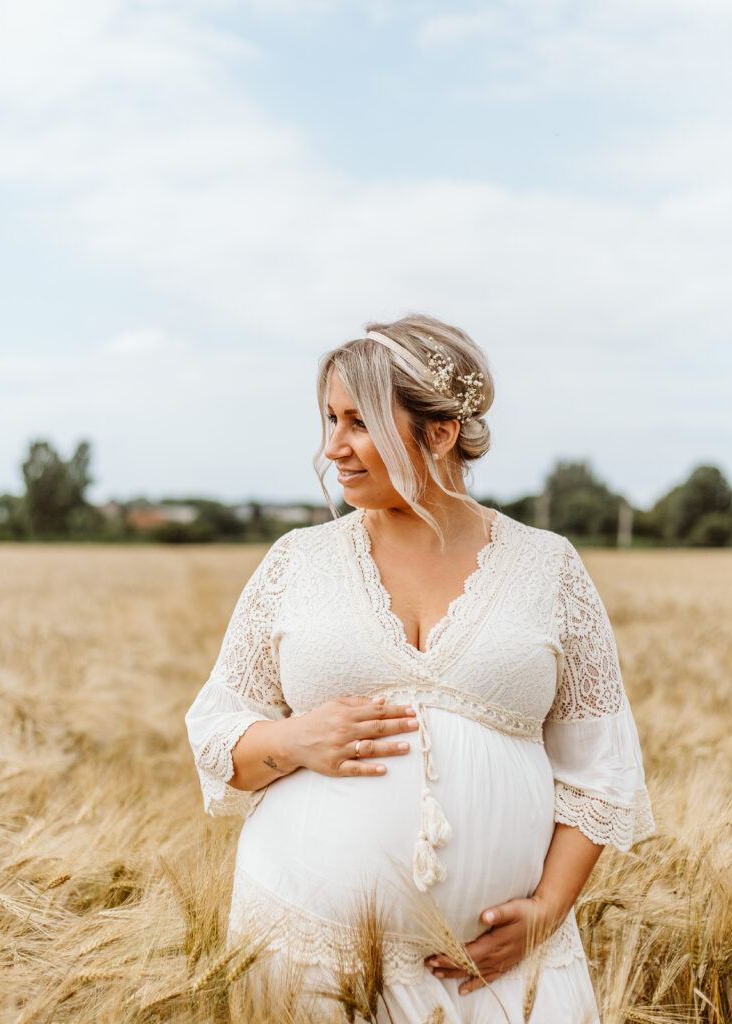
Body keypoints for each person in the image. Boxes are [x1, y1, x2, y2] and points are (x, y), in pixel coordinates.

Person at [184, 313, 655, 1023]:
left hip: (502, 970)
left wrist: (549, 909)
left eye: (359, 423)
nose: (333, 447)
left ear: (440, 433)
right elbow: (218, 734)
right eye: (331, 419)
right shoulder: (295, 563)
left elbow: (599, 769)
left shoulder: (548, 567)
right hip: (304, 954)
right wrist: (293, 740)